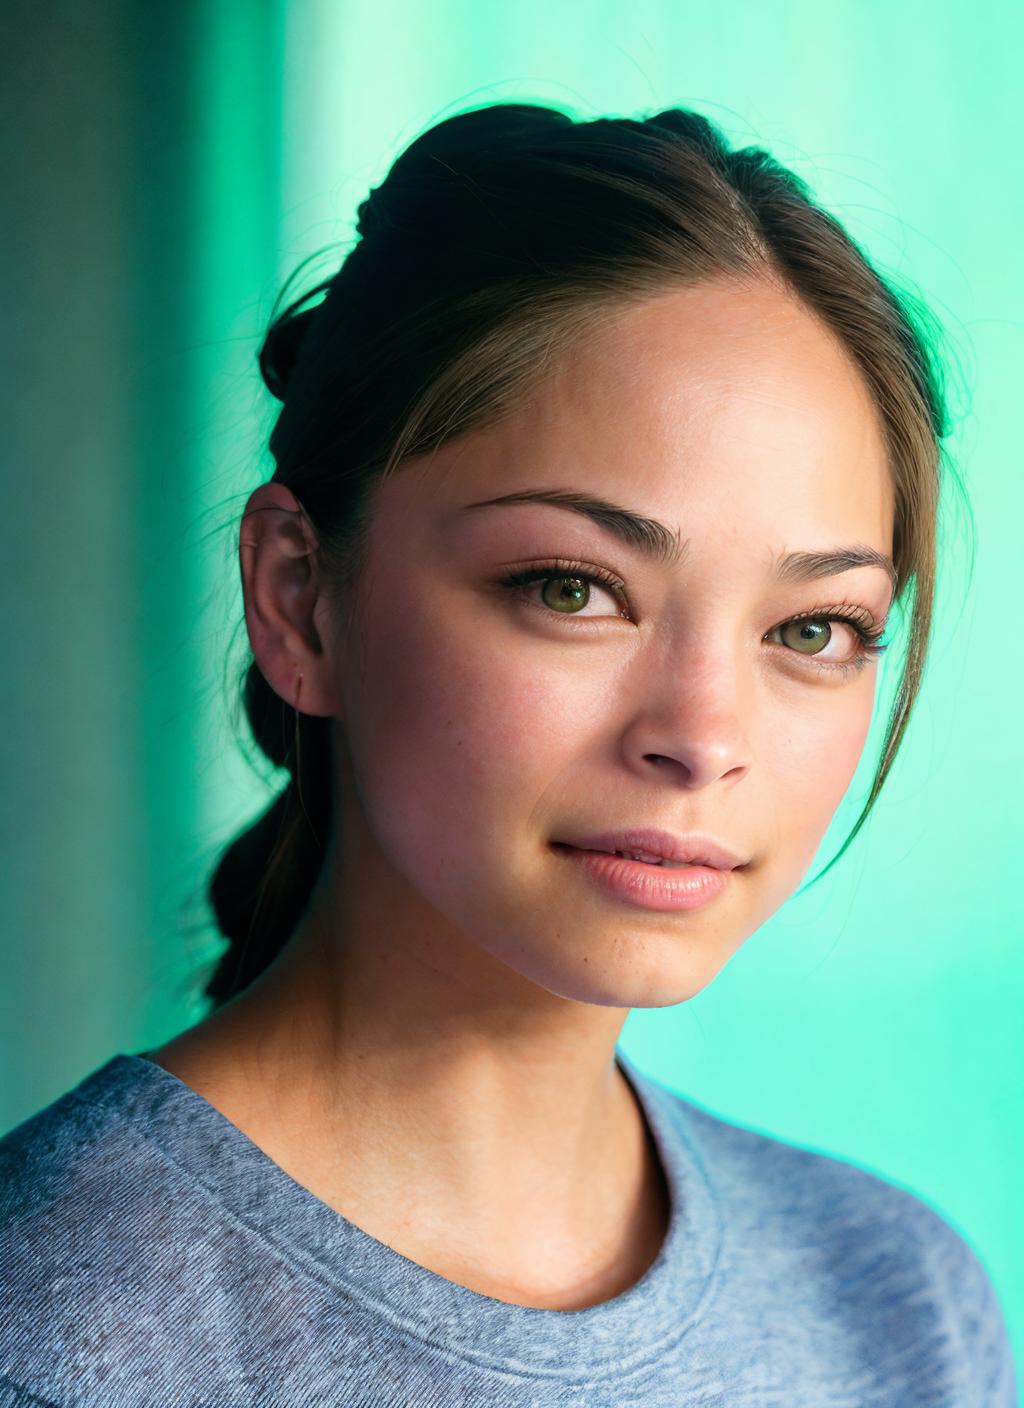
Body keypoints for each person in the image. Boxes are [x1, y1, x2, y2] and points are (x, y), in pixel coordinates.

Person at [0, 102, 1016, 1406]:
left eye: (811, 627)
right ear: (302, 597)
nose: (701, 738)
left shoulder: (897, 1300)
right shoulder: (59, 1339)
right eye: (572, 588)